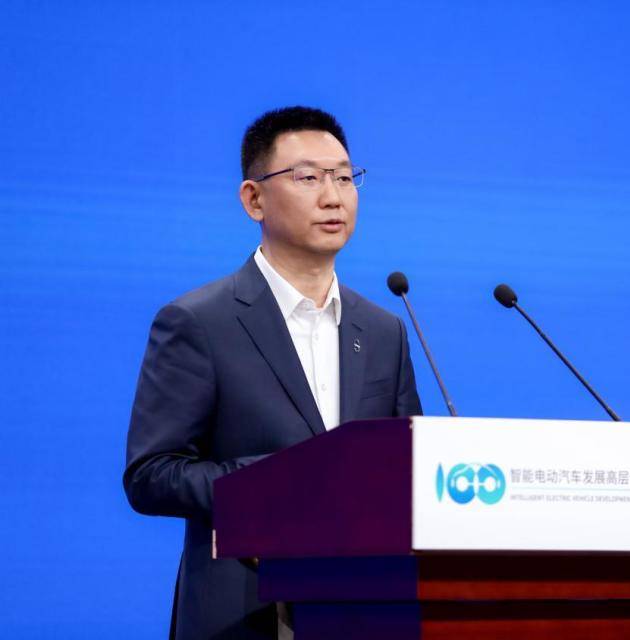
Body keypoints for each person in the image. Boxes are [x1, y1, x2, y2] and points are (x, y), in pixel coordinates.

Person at [124, 106, 422, 639]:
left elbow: (407, 468)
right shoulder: (199, 322)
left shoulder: (384, 330)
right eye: (308, 178)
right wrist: (276, 482)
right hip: (249, 611)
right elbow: (151, 475)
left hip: (366, 611)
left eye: (344, 177)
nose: (333, 196)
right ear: (253, 199)